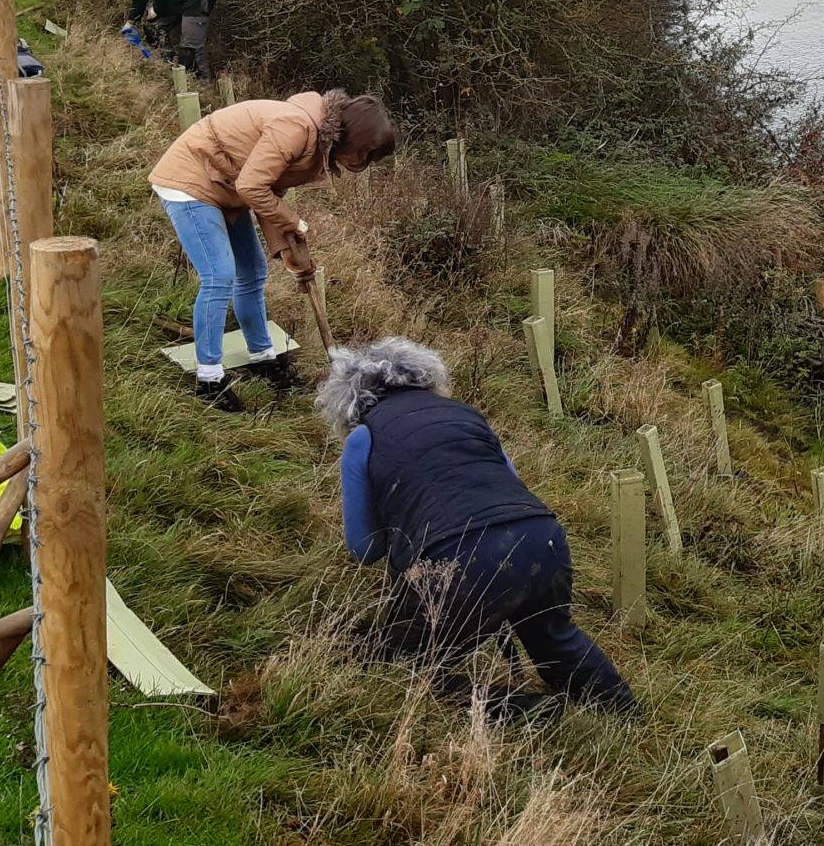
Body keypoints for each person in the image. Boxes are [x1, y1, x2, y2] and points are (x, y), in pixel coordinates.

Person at [318, 337, 636, 714]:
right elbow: (511, 480)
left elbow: (364, 547)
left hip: (456, 556)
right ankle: (624, 713)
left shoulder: (363, 438)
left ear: (349, 403)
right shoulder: (467, 414)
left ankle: (526, 713)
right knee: (554, 637)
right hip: (540, 534)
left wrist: (401, 517)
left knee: (406, 667)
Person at [146, 89, 397, 409]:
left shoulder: (316, 141)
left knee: (252, 271)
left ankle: (263, 359)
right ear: (353, 137)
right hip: (192, 180)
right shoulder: (297, 129)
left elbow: (270, 192)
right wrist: (293, 221)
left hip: (225, 186)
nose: (360, 162)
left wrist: (288, 251)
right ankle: (209, 380)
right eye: (363, 152)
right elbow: (252, 187)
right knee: (219, 275)